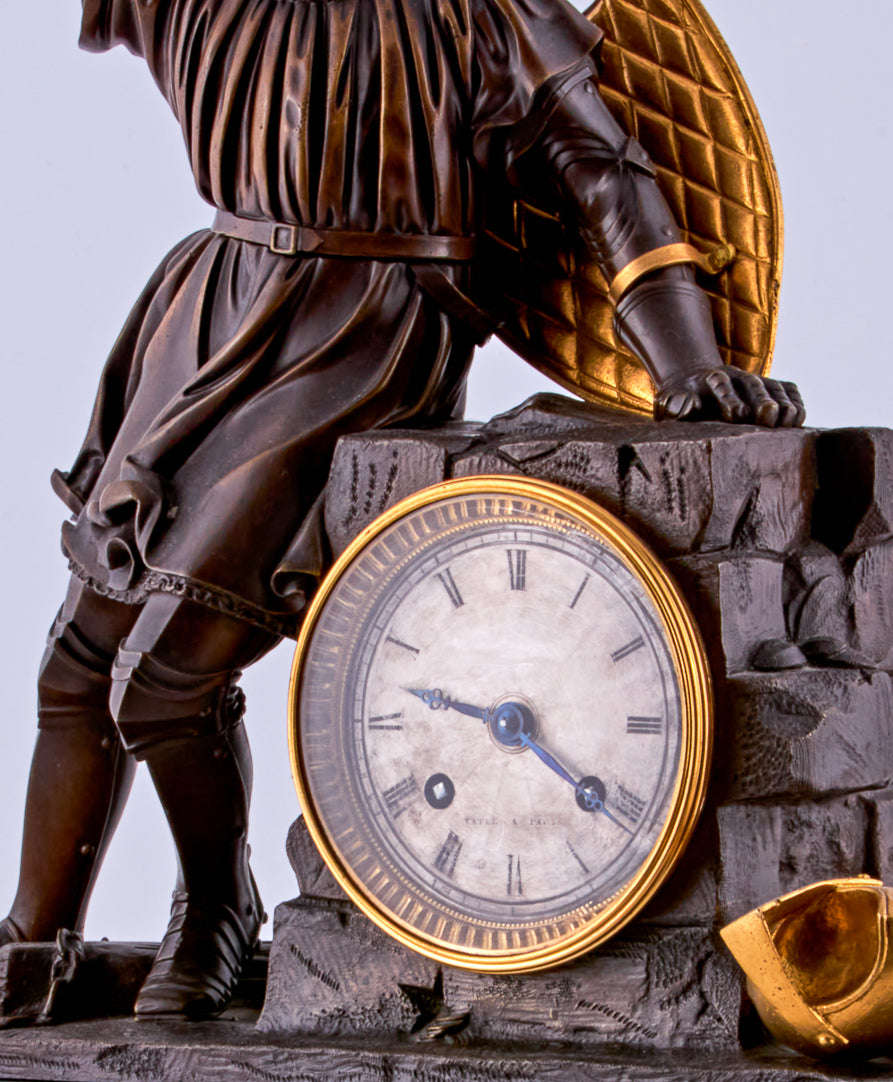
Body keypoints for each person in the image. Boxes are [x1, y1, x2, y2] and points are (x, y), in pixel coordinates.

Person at [0, 0, 804, 1020]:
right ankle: (34, 946)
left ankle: (213, 908)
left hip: (363, 330)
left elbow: (605, 171)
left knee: (163, 677)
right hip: (209, 311)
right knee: (75, 663)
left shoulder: (483, 11)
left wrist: (689, 360)